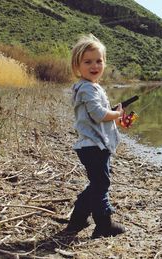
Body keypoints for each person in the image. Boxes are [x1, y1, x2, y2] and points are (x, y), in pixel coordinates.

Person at [65, 33, 125, 238]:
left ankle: (78, 220)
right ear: (77, 66)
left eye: (99, 61)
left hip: (96, 145)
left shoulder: (92, 87)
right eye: (87, 62)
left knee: (98, 183)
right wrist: (116, 114)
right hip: (93, 147)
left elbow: (100, 116)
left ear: (104, 63)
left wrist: (116, 117)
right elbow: (99, 114)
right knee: (101, 184)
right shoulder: (88, 88)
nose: (94, 65)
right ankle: (103, 224)